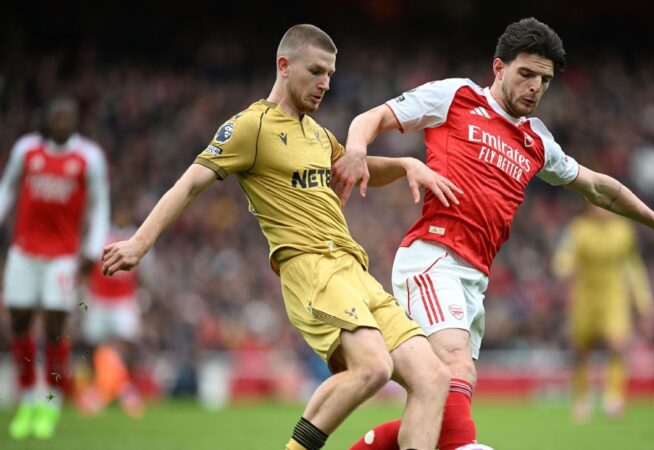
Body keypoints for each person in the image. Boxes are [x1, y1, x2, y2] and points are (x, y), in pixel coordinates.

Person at [334, 17, 654, 450]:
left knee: (443, 396)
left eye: (544, 80)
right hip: (433, 255)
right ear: (498, 68)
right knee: (452, 367)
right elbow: (375, 115)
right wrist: (358, 150)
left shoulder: (538, 142)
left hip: (474, 275)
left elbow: (599, 189)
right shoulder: (456, 96)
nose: (535, 86)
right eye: (526, 73)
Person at [101, 24, 456, 450]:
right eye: (316, 71)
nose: (326, 83)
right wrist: (140, 242)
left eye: (331, 74)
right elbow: (190, 183)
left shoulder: (318, 134)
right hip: (309, 267)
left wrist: (404, 166)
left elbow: (356, 169)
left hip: (353, 268)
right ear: (284, 66)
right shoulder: (251, 126)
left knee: (433, 378)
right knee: (373, 367)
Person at [0, 97, 110, 440]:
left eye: (68, 117)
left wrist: (92, 250)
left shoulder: (88, 157)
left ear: (76, 121)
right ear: (45, 120)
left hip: (62, 255)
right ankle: (28, 396)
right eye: (56, 117)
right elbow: (7, 189)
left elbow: (100, 203)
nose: (62, 122)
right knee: (17, 320)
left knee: (54, 328)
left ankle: (50, 399)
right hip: (24, 250)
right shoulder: (27, 150)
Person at [552, 205, 654, 422]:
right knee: (581, 350)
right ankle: (582, 398)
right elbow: (565, 254)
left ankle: (613, 398)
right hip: (585, 295)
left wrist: (643, 300)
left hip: (613, 296)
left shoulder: (624, 231)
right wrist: (563, 267)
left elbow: (633, 266)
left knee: (617, 344)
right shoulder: (579, 229)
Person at [75, 209, 147, 419]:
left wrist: (141, 294)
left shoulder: (135, 235)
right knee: (93, 344)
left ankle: (125, 389)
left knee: (128, 344)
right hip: (99, 298)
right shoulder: (101, 236)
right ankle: (98, 389)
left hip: (124, 300)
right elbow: (88, 264)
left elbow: (142, 268)